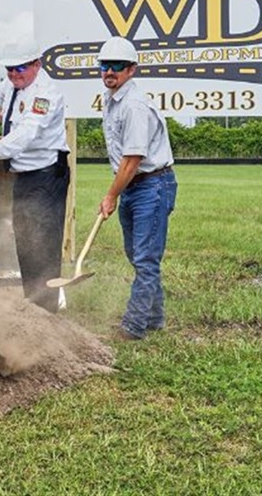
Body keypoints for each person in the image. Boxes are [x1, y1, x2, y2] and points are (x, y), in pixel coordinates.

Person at [0, 43, 69, 313]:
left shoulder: (45, 95)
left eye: (20, 68)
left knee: (43, 243)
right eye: (10, 69)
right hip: (23, 176)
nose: (14, 74)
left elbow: (26, 135)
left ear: (37, 64)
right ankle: (32, 303)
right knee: (25, 239)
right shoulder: (14, 82)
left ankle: (46, 307)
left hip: (46, 176)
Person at [96, 36, 177, 340]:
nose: (109, 71)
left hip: (152, 185)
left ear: (131, 70)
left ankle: (134, 326)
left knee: (145, 258)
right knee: (137, 254)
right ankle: (155, 318)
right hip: (133, 186)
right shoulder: (112, 100)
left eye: (117, 66)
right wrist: (118, 191)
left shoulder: (134, 105)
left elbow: (132, 160)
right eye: (105, 65)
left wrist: (111, 195)